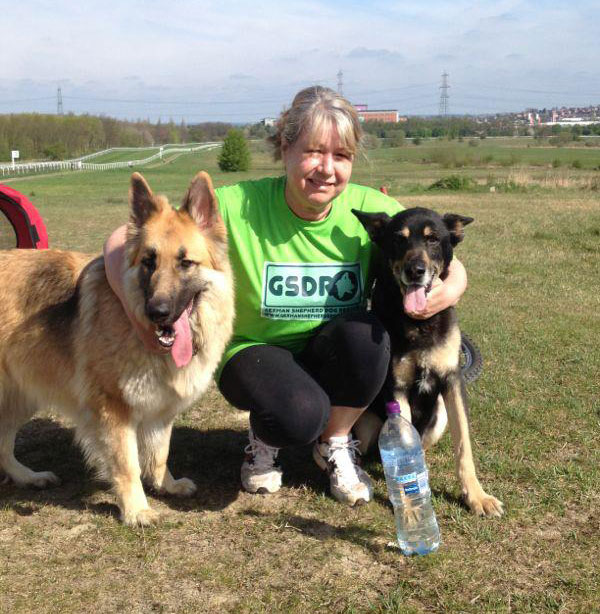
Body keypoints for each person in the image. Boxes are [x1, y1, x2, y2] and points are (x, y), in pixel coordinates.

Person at [104, 86, 467, 507]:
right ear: (285, 146)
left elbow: (444, 255)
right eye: (313, 151)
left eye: (341, 156)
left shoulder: (369, 210)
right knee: (299, 413)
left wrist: (448, 291)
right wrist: (139, 321)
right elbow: (120, 240)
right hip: (254, 351)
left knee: (369, 339)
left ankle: (334, 443)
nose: (326, 169)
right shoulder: (239, 206)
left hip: (329, 349)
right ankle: (264, 438)